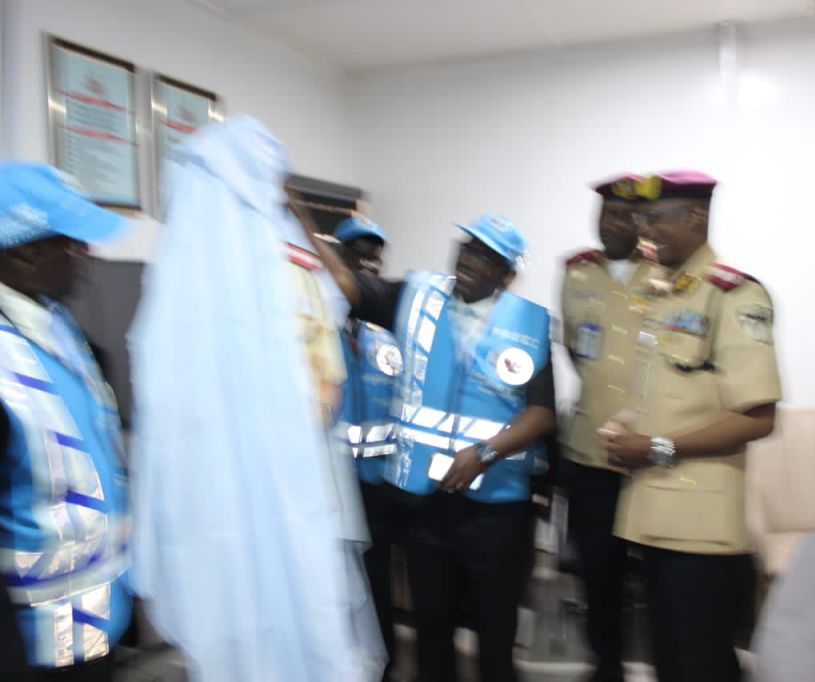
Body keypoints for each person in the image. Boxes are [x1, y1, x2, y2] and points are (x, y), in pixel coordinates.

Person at [128, 116, 383, 682]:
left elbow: (330, 355)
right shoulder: (213, 292)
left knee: (264, 616)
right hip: (250, 494)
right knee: (269, 614)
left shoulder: (251, 281)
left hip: (262, 491)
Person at [290, 205, 557, 682]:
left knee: (495, 630)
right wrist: (305, 223)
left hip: (496, 509)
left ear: (507, 274)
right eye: (467, 248)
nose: (469, 260)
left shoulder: (529, 323)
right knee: (433, 627)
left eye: (486, 257)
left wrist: (485, 453)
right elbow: (350, 286)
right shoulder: (416, 298)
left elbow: (541, 412)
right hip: (425, 504)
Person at [595, 170, 781, 682]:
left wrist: (654, 447)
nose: (644, 231)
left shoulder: (733, 295)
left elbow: (759, 418)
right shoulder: (664, 293)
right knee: (669, 662)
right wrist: (625, 426)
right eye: (640, 220)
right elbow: (672, 394)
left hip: (701, 530)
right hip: (652, 514)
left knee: (702, 665)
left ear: (697, 216)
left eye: (656, 219)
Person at [0, 162, 132, 681]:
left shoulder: (56, 322)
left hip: (94, 625)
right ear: (25, 252)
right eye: (73, 243)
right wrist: (2, 664)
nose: (87, 255)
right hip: (27, 650)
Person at [559, 172, 666, 681]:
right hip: (591, 452)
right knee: (598, 575)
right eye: (606, 214)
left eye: (625, 215)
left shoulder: (667, 274)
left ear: (643, 221)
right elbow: (577, 351)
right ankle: (606, 668)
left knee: (660, 578)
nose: (613, 224)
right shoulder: (576, 273)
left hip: (651, 457)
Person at [332, 215, 407, 681]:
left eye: (375, 257)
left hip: (382, 484)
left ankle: (385, 665)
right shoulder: (316, 329)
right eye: (357, 255)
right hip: (333, 485)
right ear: (338, 259)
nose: (369, 264)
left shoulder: (389, 334)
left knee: (379, 579)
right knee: (336, 585)